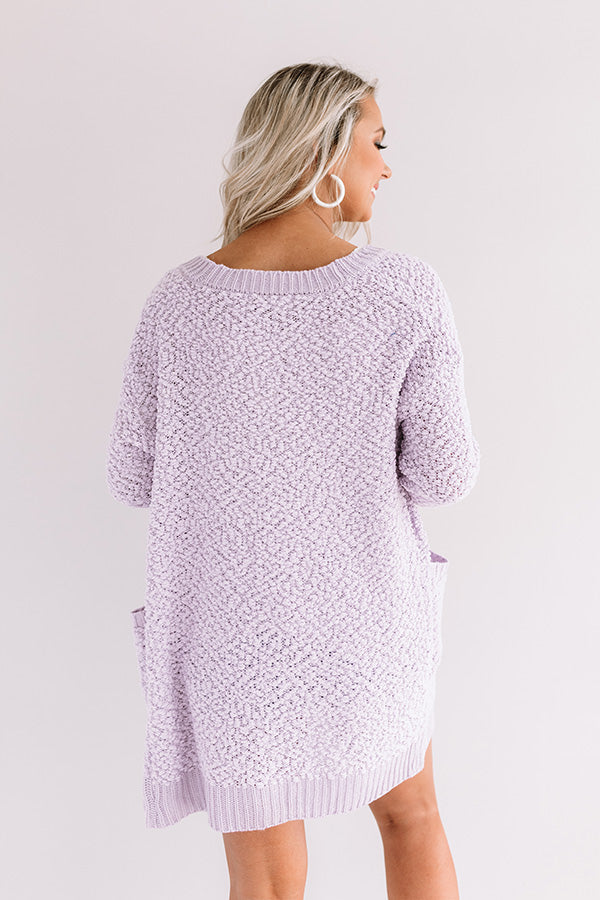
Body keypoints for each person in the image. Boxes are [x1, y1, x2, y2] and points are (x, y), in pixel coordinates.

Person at [106, 61, 480, 900]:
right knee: (411, 817)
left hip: (233, 638)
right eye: (377, 142)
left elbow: (131, 478)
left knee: (266, 881)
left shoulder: (178, 302)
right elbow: (445, 474)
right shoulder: (402, 290)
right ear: (323, 151)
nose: (387, 167)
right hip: (366, 619)